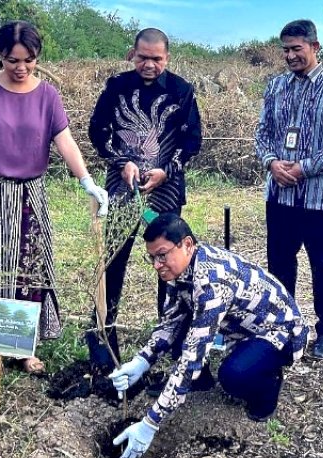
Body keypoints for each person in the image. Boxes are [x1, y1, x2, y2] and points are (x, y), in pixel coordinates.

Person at [0, 21, 109, 372]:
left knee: (28, 269)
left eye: (28, 60)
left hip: (29, 195)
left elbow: (65, 142)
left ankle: (23, 347)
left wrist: (87, 181)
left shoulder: (47, 96)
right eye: (11, 60)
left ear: (37, 57)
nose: (20, 68)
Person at [108, 214, 308, 458]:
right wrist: (141, 361)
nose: (156, 265)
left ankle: (268, 386)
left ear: (187, 244)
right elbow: (171, 322)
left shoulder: (212, 282)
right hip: (241, 328)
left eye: (162, 255)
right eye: (152, 257)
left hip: (280, 332)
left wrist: (150, 423)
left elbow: (192, 356)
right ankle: (200, 382)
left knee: (234, 376)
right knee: (185, 329)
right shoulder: (179, 271)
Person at [88, 28, 202, 373]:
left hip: (165, 189)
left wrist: (167, 170)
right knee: (114, 258)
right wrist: (122, 163)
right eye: (142, 57)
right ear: (131, 54)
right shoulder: (116, 87)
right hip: (122, 187)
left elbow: (191, 142)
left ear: (167, 58)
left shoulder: (182, 91)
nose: (149, 64)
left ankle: (170, 333)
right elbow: (98, 132)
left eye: (156, 58)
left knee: (168, 261)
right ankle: (103, 334)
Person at [255, 19, 323, 359]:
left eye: (298, 48)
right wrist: (271, 163)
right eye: (286, 50)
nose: (291, 55)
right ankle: (285, 325)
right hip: (279, 194)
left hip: (318, 196)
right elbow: (263, 131)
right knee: (280, 263)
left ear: (315, 47)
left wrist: (303, 167)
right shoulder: (276, 85)